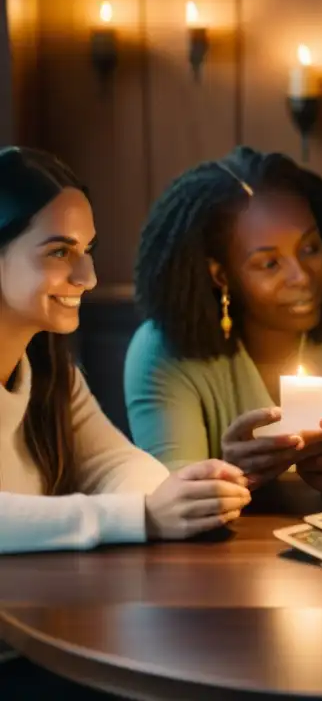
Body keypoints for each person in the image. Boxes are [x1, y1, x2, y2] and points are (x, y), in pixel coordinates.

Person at [0, 147, 249, 690]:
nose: (88, 276)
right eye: (61, 252)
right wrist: (144, 516)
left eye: (87, 250)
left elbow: (114, 462)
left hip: (37, 642)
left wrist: (179, 494)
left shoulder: (46, 367)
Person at [123, 147, 322, 497]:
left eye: (310, 248)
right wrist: (235, 473)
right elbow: (168, 491)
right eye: (270, 264)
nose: (302, 276)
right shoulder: (162, 351)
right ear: (220, 275)